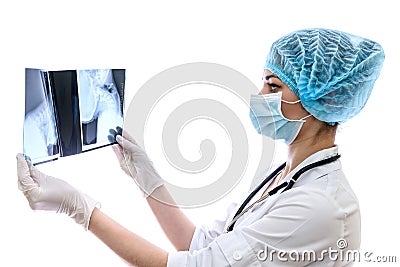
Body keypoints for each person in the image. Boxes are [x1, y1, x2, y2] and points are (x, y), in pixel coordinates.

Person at [17, 28, 385, 266]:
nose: (259, 96)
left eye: (273, 86)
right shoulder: (287, 178)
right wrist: (149, 183)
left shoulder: (318, 206)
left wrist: (80, 209)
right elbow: (199, 245)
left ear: (317, 99)